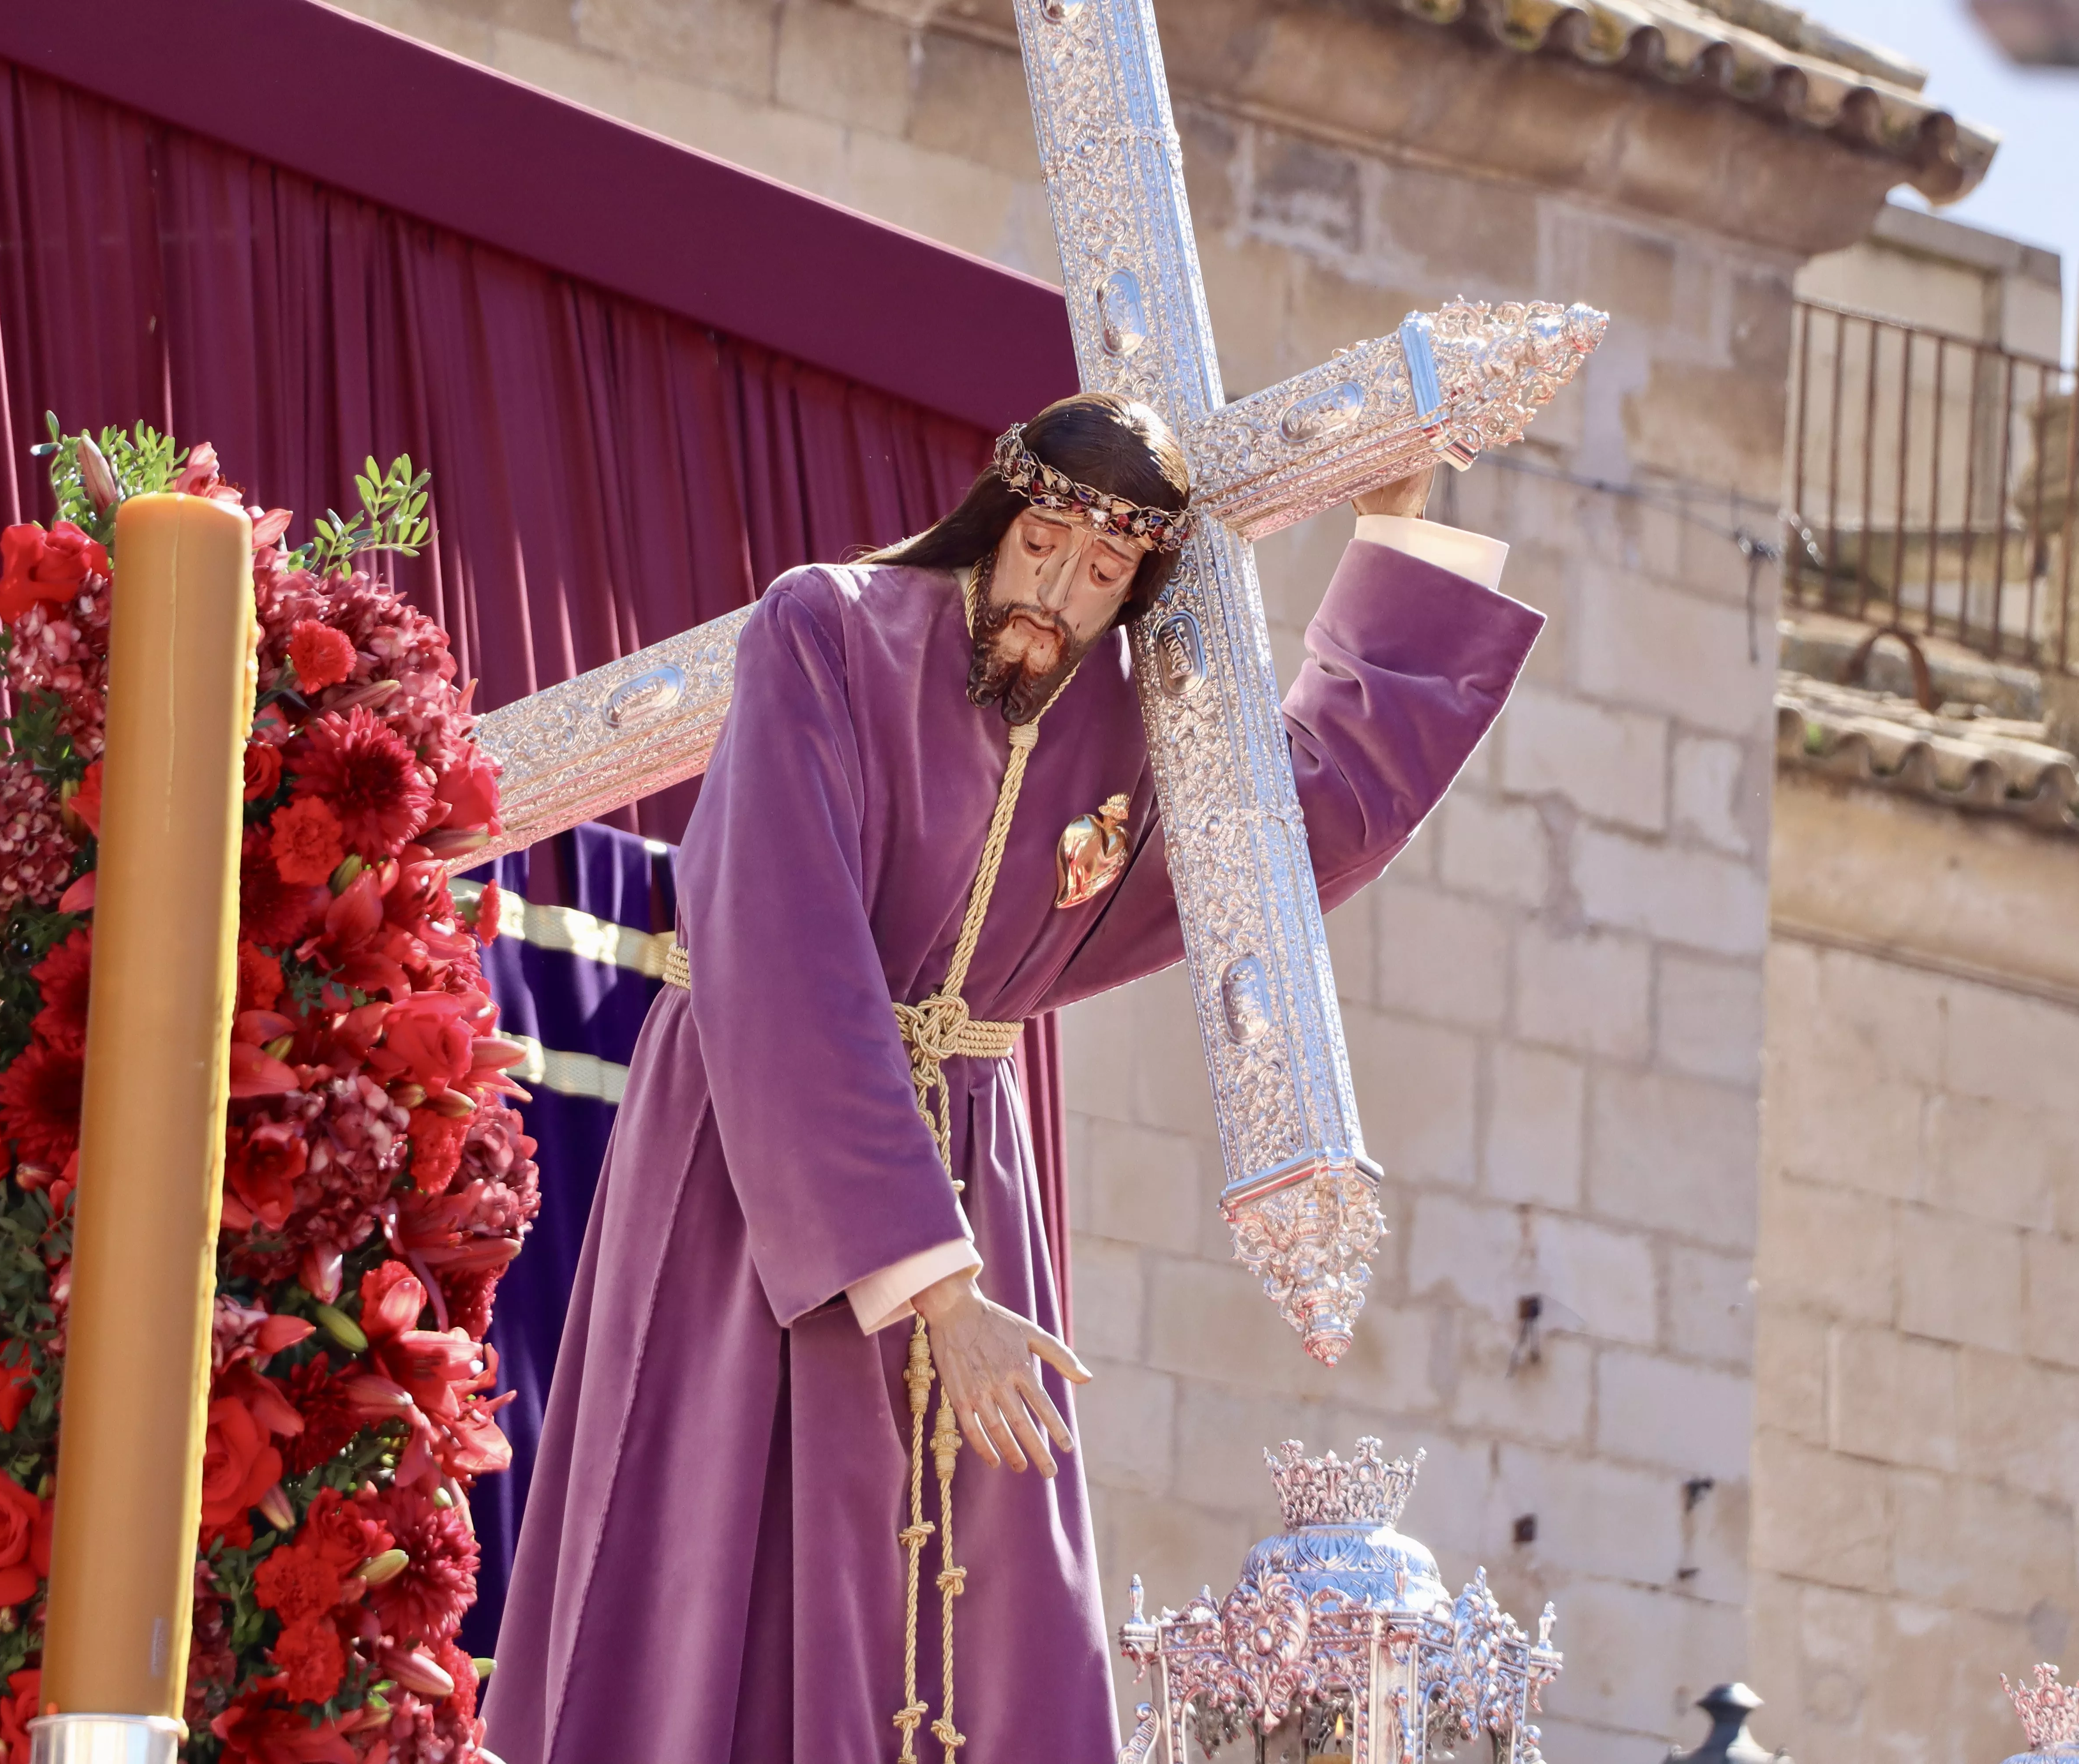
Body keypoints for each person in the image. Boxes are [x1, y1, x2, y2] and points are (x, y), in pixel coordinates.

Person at [480, 392, 1542, 1763]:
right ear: (1000, 519)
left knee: (986, 1577)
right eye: (1045, 546)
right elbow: (785, 946)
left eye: (1105, 576)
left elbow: (1294, 836)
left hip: (973, 1157)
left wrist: (1395, 532)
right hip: (754, 1168)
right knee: (709, 1558)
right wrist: (938, 1284)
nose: (1059, 594)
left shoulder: (1120, 730)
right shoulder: (833, 627)